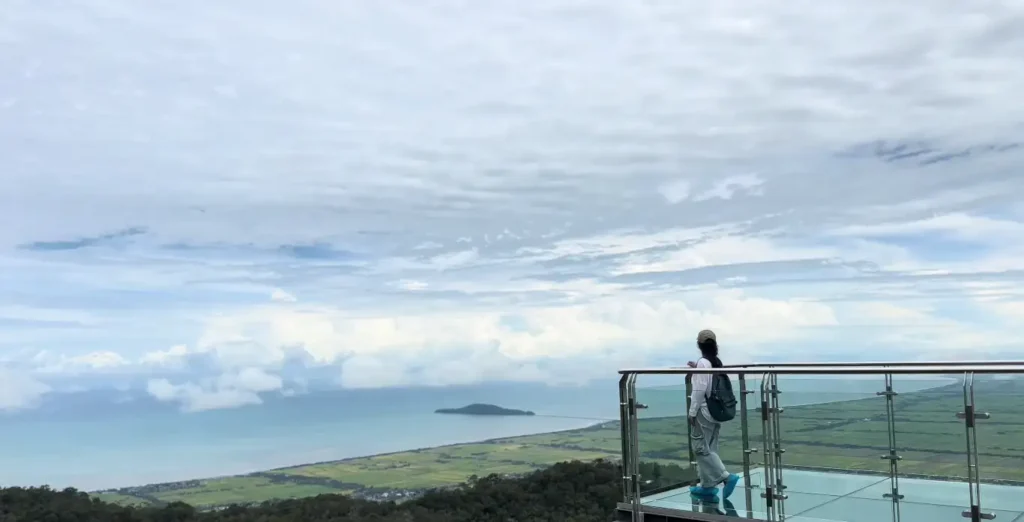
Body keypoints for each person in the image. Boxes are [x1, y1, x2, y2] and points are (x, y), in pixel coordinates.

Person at [687, 329, 739, 501]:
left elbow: (700, 389)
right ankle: (707, 485)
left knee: (700, 448)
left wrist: (692, 412)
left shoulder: (704, 363)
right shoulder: (715, 361)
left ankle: (726, 477)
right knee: (710, 447)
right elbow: (708, 381)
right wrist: (697, 369)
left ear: (698, 345)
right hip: (717, 410)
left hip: (704, 411)